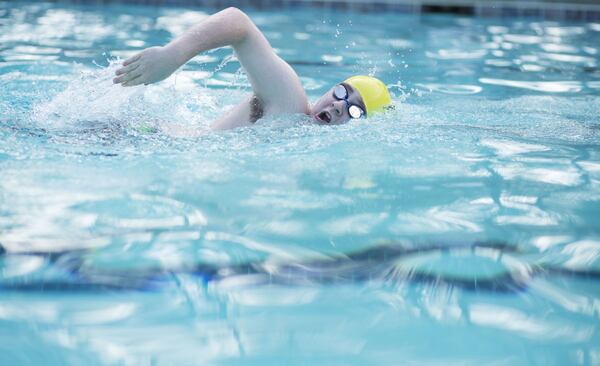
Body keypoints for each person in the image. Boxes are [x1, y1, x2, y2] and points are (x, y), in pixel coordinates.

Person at [113, 7, 391, 131]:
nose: (340, 106)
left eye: (355, 111)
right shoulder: (290, 102)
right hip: (141, 137)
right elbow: (239, 24)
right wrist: (172, 56)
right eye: (342, 92)